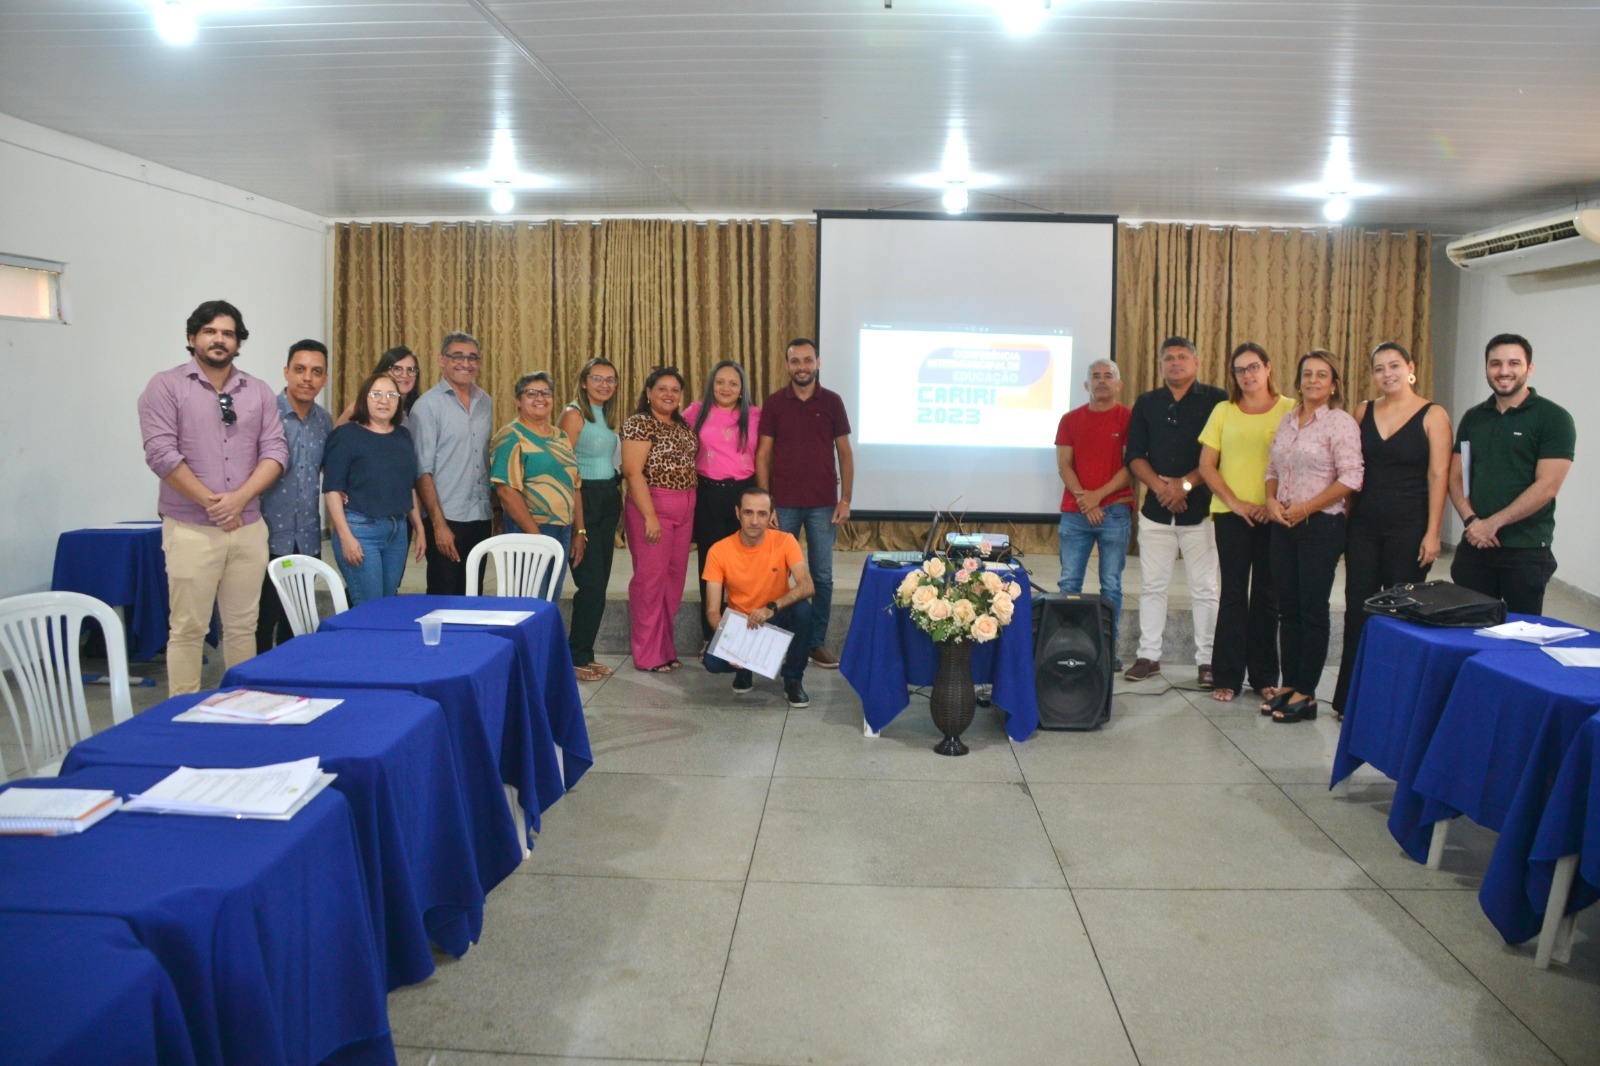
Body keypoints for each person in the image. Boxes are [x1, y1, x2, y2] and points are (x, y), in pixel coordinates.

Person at [137, 299, 286, 695]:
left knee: (243, 627)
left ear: (238, 343)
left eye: (228, 333)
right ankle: (181, 714)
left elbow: (275, 453)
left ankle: (244, 706)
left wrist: (238, 500)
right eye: (210, 331)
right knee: (188, 628)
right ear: (192, 338)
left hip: (248, 527)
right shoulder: (165, 386)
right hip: (190, 529)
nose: (219, 340)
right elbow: (161, 454)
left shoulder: (257, 391)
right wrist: (213, 502)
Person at [1331, 342, 1451, 716]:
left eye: (1394, 366)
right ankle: (1350, 698)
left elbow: (1438, 475)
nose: (1387, 374)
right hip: (1365, 526)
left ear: (1410, 367)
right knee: (1358, 610)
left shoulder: (1433, 414)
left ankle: (1398, 700)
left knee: (1402, 614)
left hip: (1410, 527)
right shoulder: (1363, 411)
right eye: (1380, 368)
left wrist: (1434, 532)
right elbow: (1350, 471)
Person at [1260, 351, 1363, 723]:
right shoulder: (1288, 420)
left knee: (1312, 610)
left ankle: (1307, 692)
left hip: (1320, 526)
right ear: (1298, 380)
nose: (1313, 380)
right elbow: (1272, 467)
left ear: (1334, 384)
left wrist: (1307, 508)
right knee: (1287, 609)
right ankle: (1288, 685)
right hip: (1283, 525)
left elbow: (1351, 478)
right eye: (1307, 374)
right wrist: (1271, 500)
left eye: (1322, 375)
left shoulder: (1341, 423)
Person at [1123, 336, 1228, 686]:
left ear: (1196, 363)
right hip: (1156, 512)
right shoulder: (1147, 402)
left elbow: (1220, 454)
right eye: (1168, 358)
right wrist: (1162, 488)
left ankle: (1208, 661)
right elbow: (1135, 455)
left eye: (1183, 357)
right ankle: (1148, 656)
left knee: (1205, 589)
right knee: (1152, 587)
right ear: (1161, 365)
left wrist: (1183, 485)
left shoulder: (1217, 400)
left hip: (1200, 511)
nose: (1176, 364)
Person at [1197, 342, 1296, 704]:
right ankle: (1227, 676)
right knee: (1233, 595)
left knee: (1268, 597)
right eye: (1240, 370)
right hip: (1231, 516)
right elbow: (1207, 465)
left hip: (1277, 515)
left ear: (1268, 368)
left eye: (1253, 367)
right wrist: (1237, 504)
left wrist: (1272, 505)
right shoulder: (1223, 411)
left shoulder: (1290, 409)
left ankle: (1265, 677)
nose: (1247, 375)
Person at [1449, 333, 1575, 614]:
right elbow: (1455, 477)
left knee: (1521, 635)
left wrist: (1492, 524)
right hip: (1476, 545)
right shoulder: (1474, 417)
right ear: (1486, 369)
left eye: (1513, 363)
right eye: (1495, 364)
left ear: (1529, 368)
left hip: (1526, 549)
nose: (1504, 371)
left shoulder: (1554, 418)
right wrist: (1472, 522)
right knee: (1467, 627)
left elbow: (1548, 485)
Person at [756, 338, 853, 670]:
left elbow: (845, 453)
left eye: (807, 360)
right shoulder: (774, 403)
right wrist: (766, 504)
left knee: (822, 577)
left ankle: (815, 643)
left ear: (818, 363)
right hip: (782, 505)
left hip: (824, 505)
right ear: (787, 365)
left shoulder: (833, 402)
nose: (802, 366)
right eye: (795, 361)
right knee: (775, 577)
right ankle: (776, 642)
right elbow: (763, 455)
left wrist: (846, 499)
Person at [702, 486, 816, 708]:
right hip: (741, 625)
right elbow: (712, 612)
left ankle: (793, 679)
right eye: (748, 512)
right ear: (738, 513)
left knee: (804, 610)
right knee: (712, 663)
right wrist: (731, 642)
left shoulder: (785, 541)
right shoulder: (718, 551)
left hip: (774, 616)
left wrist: (772, 607)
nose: (754, 521)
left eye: (762, 514)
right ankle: (744, 670)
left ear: (772, 515)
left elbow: (807, 585)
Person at [1054, 358, 1133, 667]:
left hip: (1114, 512)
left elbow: (1132, 466)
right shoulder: (1070, 419)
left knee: (1111, 584)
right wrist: (1086, 501)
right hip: (1075, 514)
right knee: (1069, 583)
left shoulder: (1129, 419)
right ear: (1086, 385)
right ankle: (1062, 647)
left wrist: (1096, 499)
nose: (1102, 381)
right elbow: (1064, 465)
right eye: (1096, 377)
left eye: (1108, 376)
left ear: (1119, 384)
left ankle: (1107, 651)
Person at [322, 372, 427, 605]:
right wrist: (345, 536)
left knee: (388, 604)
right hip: (360, 530)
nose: (384, 400)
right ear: (363, 399)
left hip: (397, 531)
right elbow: (331, 489)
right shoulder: (347, 435)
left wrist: (419, 527)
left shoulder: (402, 436)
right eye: (376, 394)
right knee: (369, 605)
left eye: (391, 395)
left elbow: (408, 485)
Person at [621, 366, 699, 672]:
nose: (669, 394)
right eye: (662, 388)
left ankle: (664, 648)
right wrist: (650, 516)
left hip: (686, 507)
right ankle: (646, 654)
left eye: (675, 390)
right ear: (649, 393)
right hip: (653, 506)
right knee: (650, 582)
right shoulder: (639, 423)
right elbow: (632, 472)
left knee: (673, 582)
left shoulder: (682, 425)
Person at [256, 339, 333, 652]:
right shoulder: (264, 415)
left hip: (307, 539)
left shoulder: (324, 421)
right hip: (265, 536)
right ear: (286, 371)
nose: (307, 378)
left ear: (324, 378)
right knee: (261, 621)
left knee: (296, 620)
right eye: (300, 370)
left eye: (316, 372)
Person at [683, 360, 761, 653]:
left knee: (748, 565)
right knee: (711, 565)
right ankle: (710, 635)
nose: (726, 388)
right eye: (720, 382)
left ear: (742, 389)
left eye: (733, 383)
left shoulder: (755, 416)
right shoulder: (694, 412)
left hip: (745, 495)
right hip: (708, 494)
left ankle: (748, 634)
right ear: (711, 385)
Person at [490, 372, 585, 606]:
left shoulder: (561, 436)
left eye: (546, 393)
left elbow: (574, 485)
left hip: (562, 529)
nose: (540, 398)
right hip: (529, 528)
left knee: (549, 599)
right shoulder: (510, 436)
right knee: (528, 601)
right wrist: (536, 536)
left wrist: (579, 531)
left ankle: (542, 644)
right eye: (531, 393)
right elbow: (506, 491)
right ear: (518, 400)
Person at [410, 332, 494, 595]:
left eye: (472, 357)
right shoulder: (427, 407)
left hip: (480, 515)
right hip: (447, 517)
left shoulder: (485, 402)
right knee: (443, 595)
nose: (465, 363)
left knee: (473, 593)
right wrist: (438, 524)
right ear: (441, 360)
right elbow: (422, 471)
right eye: (457, 356)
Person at [558, 358, 622, 681]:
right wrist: (578, 527)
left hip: (607, 499)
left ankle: (585, 653)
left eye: (611, 380)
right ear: (583, 381)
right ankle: (574, 656)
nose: (604, 385)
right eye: (597, 378)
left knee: (599, 587)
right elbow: (566, 472)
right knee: (591, 585)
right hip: (585, 502)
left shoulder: (605, 415)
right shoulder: (574, 414)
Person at [334, 346, 422, 427]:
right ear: (383, 372)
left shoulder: (419, 408)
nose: (405, 375)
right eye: (397, 369)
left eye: (411, 370)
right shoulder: (360, 407)